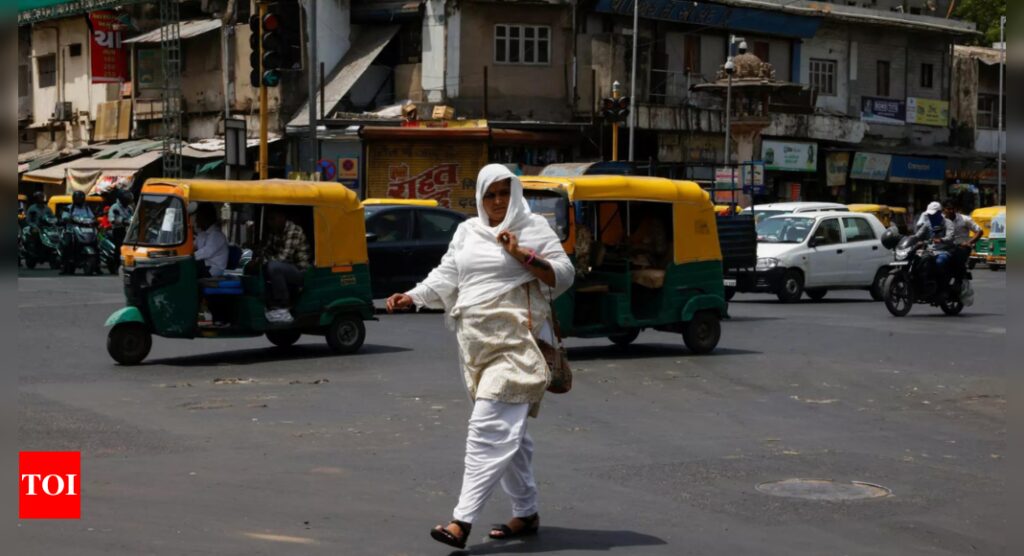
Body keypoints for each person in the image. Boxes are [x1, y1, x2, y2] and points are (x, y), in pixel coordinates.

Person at [386, 164, 574, 550]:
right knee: (513, 433)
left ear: (516, 194)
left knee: (488, 427)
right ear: (480, 198)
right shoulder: (467, 231)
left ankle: (461, 520)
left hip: (518, 342)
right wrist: (414, 296)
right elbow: (448, 274)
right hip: (475, 343)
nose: (498, 201)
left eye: (505, 192)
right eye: (490, 194)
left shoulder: (533, 227)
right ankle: (526, 511)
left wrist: (521, 254)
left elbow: (564, 274)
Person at [249, 208, 310, 324]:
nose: (269, 222)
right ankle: (269, 303)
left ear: (282, 218)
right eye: (268, 219)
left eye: (273, 219)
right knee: (259, 267)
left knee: (273, 267)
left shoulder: (294, 231)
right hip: (286, 268)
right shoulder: (275, 231)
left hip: (300, 271)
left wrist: (264, 261)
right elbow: (266, 250)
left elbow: (284, 258)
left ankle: (283, 306)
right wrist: (257, 259)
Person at [913, 201, 954, 295]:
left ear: (939, 213)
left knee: (939, 262)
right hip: (929, 251)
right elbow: (918, 235)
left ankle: (942, 287)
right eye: (930, 214)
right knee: (915, 260)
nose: (931, 216)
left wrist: (941, 240)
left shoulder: (948, 223)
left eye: (933, 214)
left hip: (943, 250)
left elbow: (950, 237)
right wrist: (908, 239)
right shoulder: (927, 223)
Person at [942, 200, 982, 283]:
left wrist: (969, 242)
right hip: (944, 247)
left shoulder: (965, 219)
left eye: (953, 209)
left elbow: (979, 231)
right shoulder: (940, 220)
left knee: (959, 256)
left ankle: (958, 281)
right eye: (949, 209)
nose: (951, 211)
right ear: (944, 209)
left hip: (961, 247)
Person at [193, 203, 229, 278]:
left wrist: (190, 257)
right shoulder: (203, 234)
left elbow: (206, 252)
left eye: (198, 217)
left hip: (213, 269)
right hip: (205, 266)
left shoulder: (217, 235)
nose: (196, 220)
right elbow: (194, 245)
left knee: (186, 270)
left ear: (205, 217)